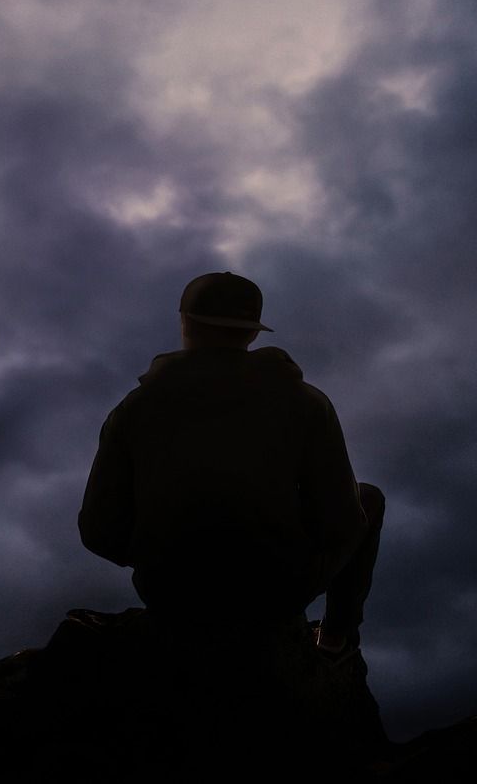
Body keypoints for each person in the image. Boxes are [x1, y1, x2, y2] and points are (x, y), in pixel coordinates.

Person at [78, 272, 385, 660]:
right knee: (368, 499)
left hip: (172, 596)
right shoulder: (307, 404)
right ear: (253, 334)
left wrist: (166, 554)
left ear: (185, 322)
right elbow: (341, 520)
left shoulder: (133, 409)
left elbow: (97, 531)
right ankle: (335, 641)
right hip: (275, 595)